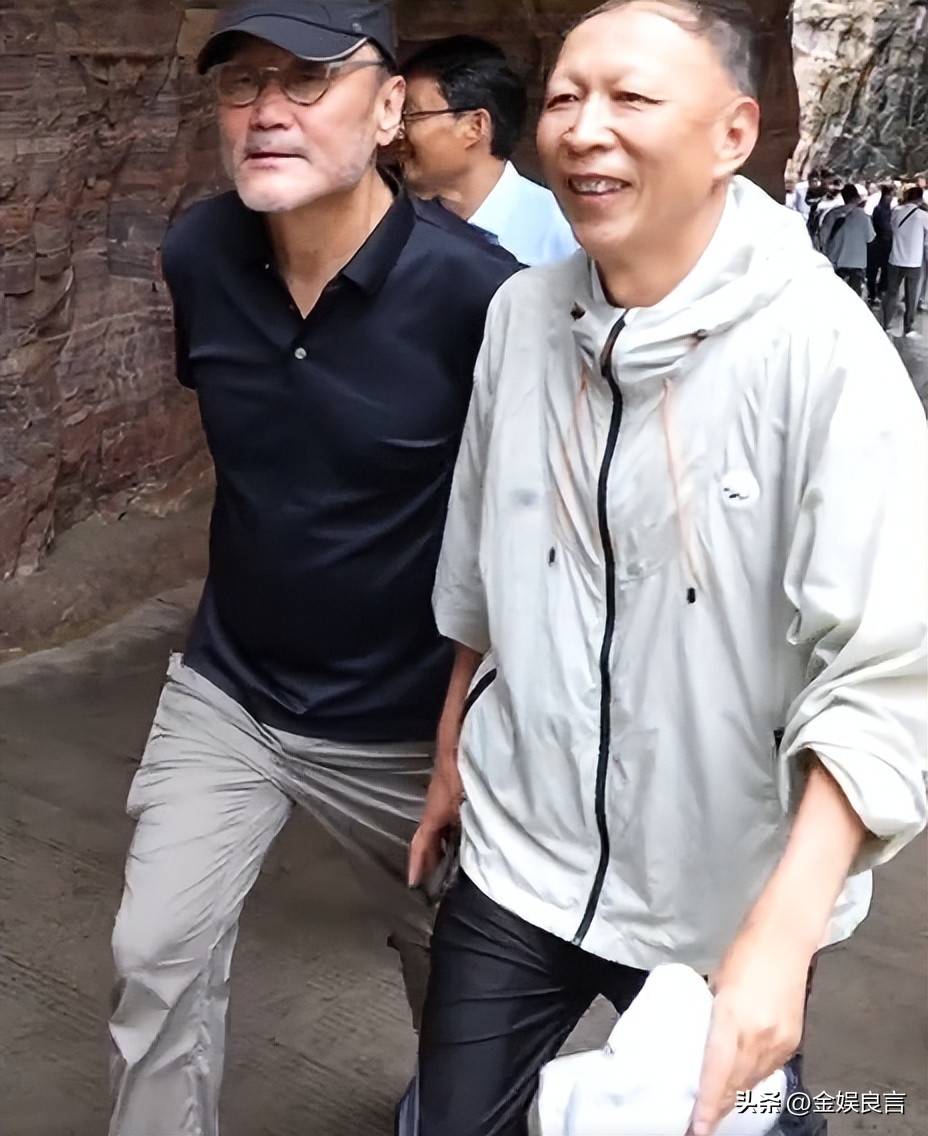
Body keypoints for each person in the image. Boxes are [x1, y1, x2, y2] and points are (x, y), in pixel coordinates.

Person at [409, 3, 928, 1136]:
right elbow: (480, 562)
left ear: (734, 134)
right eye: (564, 98)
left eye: (632, 99)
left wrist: (781, 935)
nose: (584, 128)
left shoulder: (825, 357)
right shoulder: (520, 317)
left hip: (723, 891)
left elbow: (885, 676)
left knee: (748, 1118)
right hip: (522, 849)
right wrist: (452, 751)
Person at [106, 3, 519, 1134]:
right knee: (154, 956)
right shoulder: (199, 252)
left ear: (389, 111)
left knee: (465, 989)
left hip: (407, 724)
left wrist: (463, 737)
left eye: (308, 78)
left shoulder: (483, 297)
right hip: (230, 692)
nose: (267, 110)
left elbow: (519, 538)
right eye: (242, 82)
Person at [399, 36, 578, 265]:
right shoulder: (400, 230)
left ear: (474, 127)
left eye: (411, 115)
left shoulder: (564, 234)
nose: (396, 131)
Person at [882, 185, 928, 337]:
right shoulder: (923, 216)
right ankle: (908, 327)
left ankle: (885, 324)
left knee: (891, 292)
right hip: (913, 261)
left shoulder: (896, 211)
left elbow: (893, 228)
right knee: (911, 295)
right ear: (920, 199)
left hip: (895, 258)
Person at [818, 183, 874, 295]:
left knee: (835, 295)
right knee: (854, 298)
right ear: (856, 197)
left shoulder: (832, 214)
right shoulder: (864, 216)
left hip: (835, 263)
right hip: (856, 264)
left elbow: (822, 239)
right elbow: (870, 238)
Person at [866, 183, 894, 304]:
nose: (891, 198)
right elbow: (883, 227)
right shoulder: (881, 210)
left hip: (879, 244)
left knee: (879, 270)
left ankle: (875, 293)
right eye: (890, 195)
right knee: (879, 270)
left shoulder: (883, 209)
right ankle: (875, 293)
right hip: (881, 243)